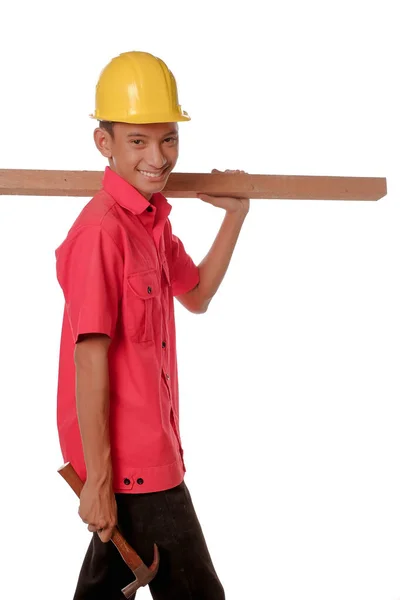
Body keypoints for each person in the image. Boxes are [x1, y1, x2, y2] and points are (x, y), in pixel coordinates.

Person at [55, 50, 249, 599]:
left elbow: (199, 295)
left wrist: (235, 215)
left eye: (169, 139)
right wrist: (97, 479)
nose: (159, 157)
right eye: (138, 141)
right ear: (104, 144)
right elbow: (88, 359)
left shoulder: (153, 224)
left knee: (104, 584)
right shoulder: (100, 234)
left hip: (152, 452)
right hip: (135, 464)